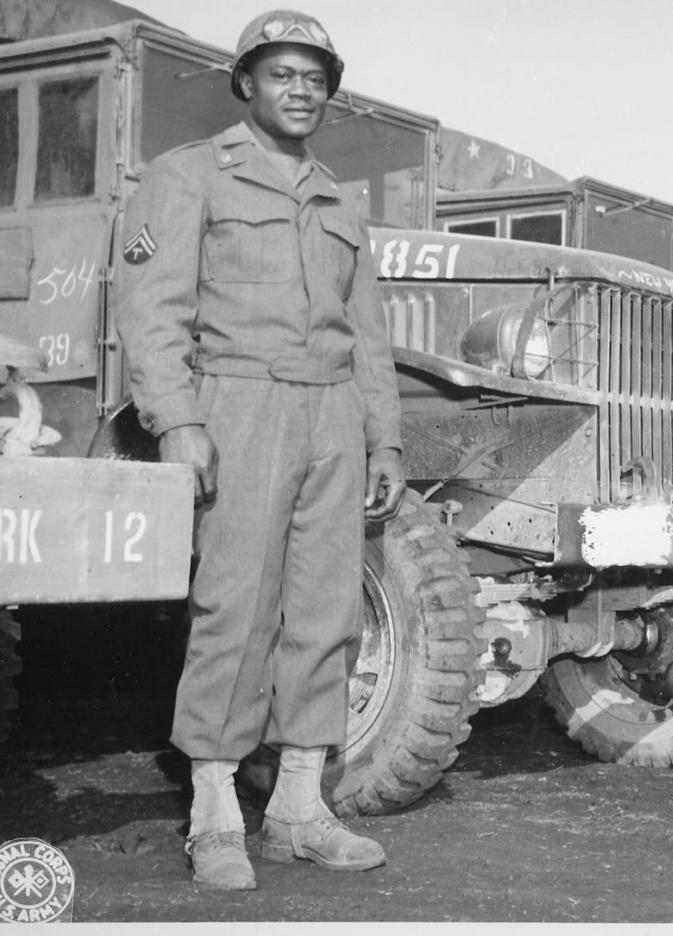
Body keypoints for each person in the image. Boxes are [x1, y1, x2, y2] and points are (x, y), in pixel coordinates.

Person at [115, 10, 406, 890]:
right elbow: (151, 310)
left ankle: (298, 811)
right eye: (282, 74)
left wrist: (383, 438)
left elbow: (369, 336)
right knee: (234, 609)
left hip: (332, 419)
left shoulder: (337, 196)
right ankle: (212, 814)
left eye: (315, 77)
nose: (301, 89)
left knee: (326, 614)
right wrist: (178, 420)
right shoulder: (189, 175)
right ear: (245, 82)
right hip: (237, 404)